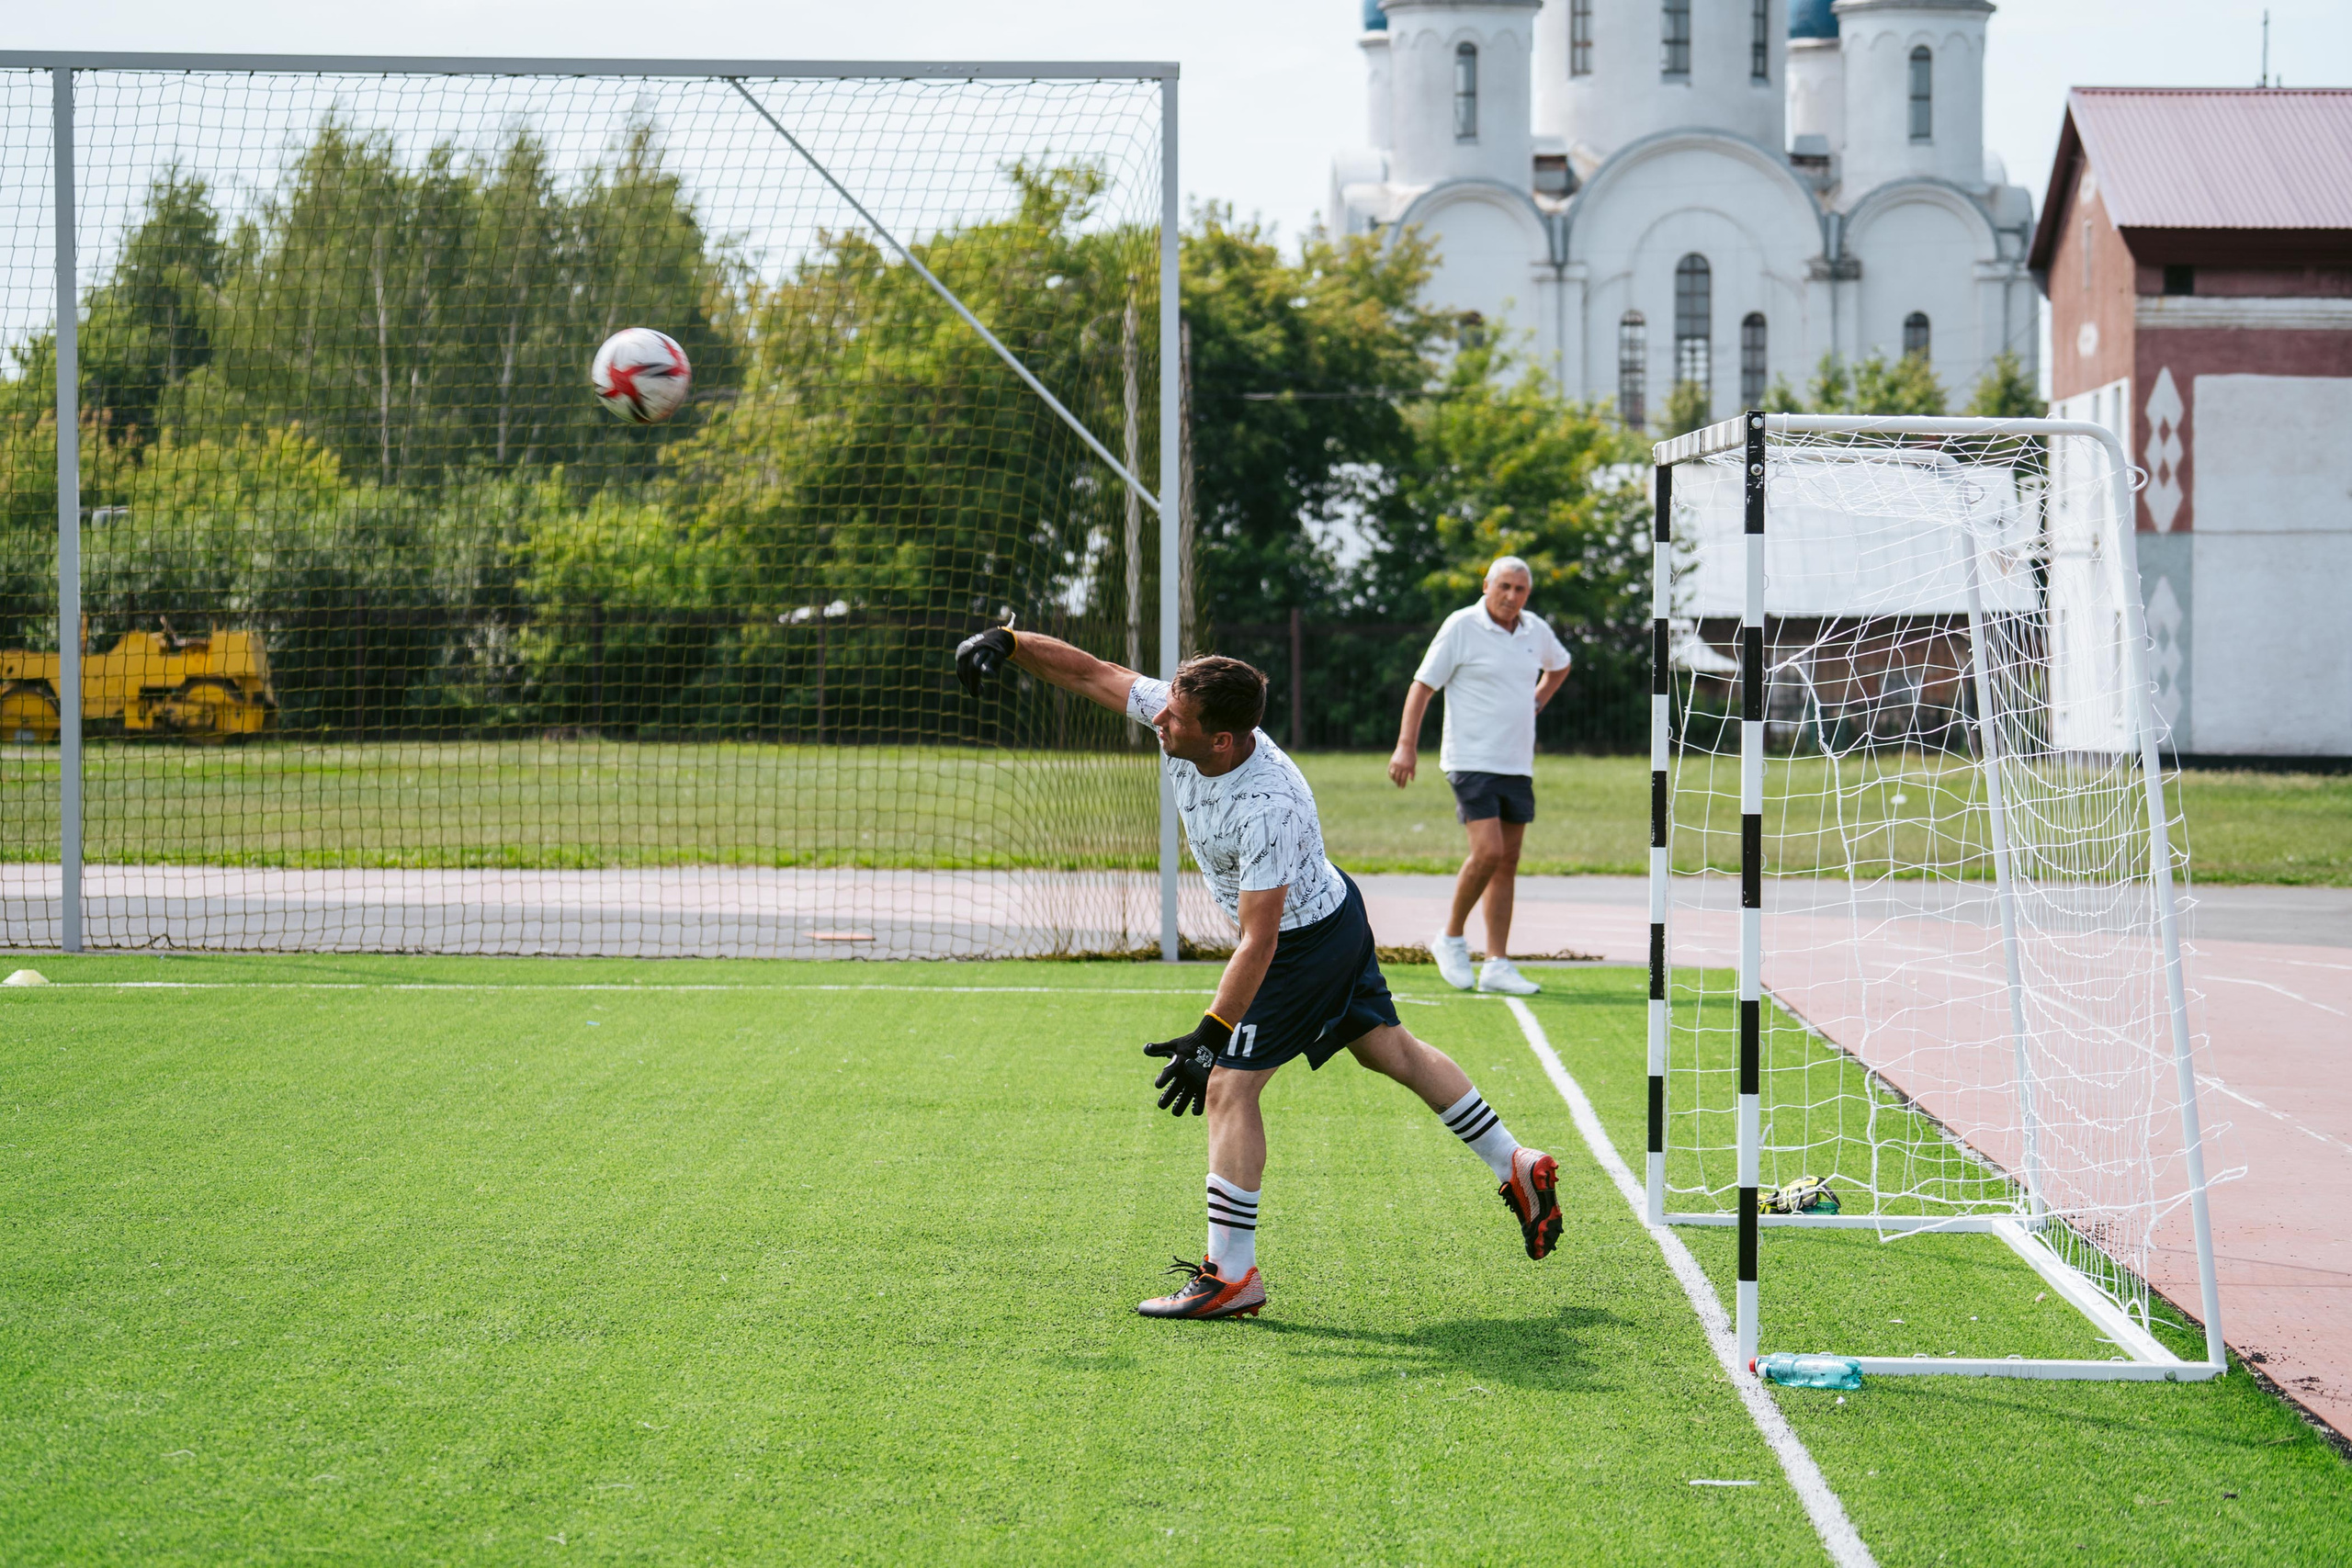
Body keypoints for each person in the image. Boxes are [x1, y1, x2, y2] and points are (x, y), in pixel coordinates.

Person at [956, 626, 1563, 1320]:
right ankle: (1514, 1162)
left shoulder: (1266, 805)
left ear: (1222, 740)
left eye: (1175, 719)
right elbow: (1095, 673)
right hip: (1334, 909)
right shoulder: (1183, 710)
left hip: (1303, 945)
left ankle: (1232, 1275)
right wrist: (1007, 642)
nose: (1158, 719)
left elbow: (1260, 940)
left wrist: (1213, 1033)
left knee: (1227, 1089)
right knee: (1388, 1048)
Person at [1388, 557, 1573, 996]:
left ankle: (1497, 963)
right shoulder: (1461, 626)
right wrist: (1405, 746)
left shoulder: (1536, 631)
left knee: (1508, 862)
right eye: (1504, 586)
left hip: (1516, 763)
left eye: (1521, 589)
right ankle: (1450, 937)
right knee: (1488, 853)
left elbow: (1560, 665)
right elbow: (1423, 686)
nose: (1512, 596)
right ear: (1486, 584)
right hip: (1470, 759)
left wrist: (1538, 699)